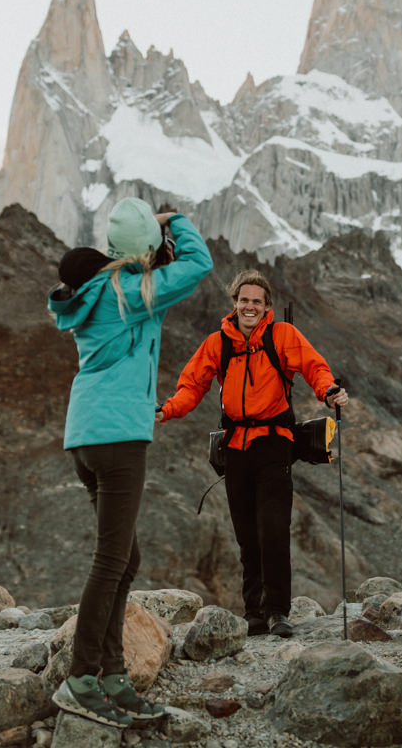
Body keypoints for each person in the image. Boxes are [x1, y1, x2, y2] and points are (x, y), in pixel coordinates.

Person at [47, 197, 213, 728]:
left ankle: (113, 677)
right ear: (142, 248)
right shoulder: (131, 292)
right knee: (110, 559)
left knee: (125, 557)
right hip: (119, 436)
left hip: (86, 437)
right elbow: (200, 265)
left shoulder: (94, 292)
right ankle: (81, 678)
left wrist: (144, 248)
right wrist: (175, 223)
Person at [157, 270, 347, 638]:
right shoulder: (218, 343)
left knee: (273, 530)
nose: (250, 306)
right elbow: (192, 385)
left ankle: (277, 611)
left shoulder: (283, 336)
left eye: (257, 302)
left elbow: (314, 367)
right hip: (236, 447)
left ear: (267, 307)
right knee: (247, 535)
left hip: (275, 443)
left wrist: (328, 391)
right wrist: (169, 409)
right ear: (234, 303)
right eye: (244, 300)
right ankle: (253, 615)